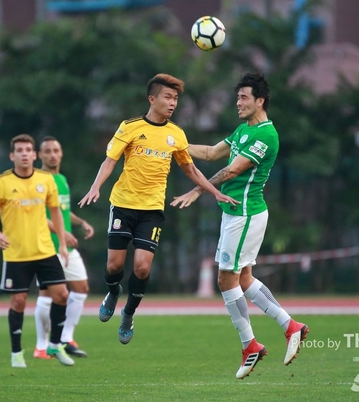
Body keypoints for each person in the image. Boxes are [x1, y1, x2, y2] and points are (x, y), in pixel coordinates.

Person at [78, 73, 239, 345]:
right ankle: (113, 292)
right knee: (114, 265)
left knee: (142, 268)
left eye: (175, 98)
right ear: (152, 99)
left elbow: (190, 169)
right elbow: (109, 161)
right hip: (123, 204)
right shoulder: (129, 127)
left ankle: (128, 314)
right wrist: (96, 187)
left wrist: (214, 192)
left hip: (152, 210)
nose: (173, 103)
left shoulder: (176, 134)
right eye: (168, 97)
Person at [171, 72, 309, 379]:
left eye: (244, 97)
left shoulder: (266, 135)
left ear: (260, 101)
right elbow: (210, 153)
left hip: (245, 214)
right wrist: (174, 143)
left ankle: (250, 346)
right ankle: (291, 326)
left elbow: (232, 170)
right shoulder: (243, 129)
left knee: (225, 279)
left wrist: (197, 190)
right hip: (235, 213)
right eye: (237, 97)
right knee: (243, 279)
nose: (238, 102)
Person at [0, 134, 75, 368]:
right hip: (16, 254)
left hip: (44, 251)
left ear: (34, 155)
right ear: (12, 156)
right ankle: (16, 352)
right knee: (18, 302)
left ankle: (54, 345)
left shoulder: (46, 179)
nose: (24, 154)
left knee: (62, 295)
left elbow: (55, 211)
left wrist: (62, 242)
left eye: (28, 150)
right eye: (19, 150)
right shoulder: (1, 181)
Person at [32, 136, 94, 359]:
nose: (52, 155)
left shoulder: (61, 179)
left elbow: (62, 210)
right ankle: (41, 347)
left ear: (61, 153)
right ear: (40, 155)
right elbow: (37, 215)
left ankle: (66, 339)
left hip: (65, 247)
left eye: (56, 150)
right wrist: (62, 233)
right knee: (47, 295)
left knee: (81, 288)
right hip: (46, 246)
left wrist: (80, 222)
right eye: (47, 151)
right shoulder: (38, 180)